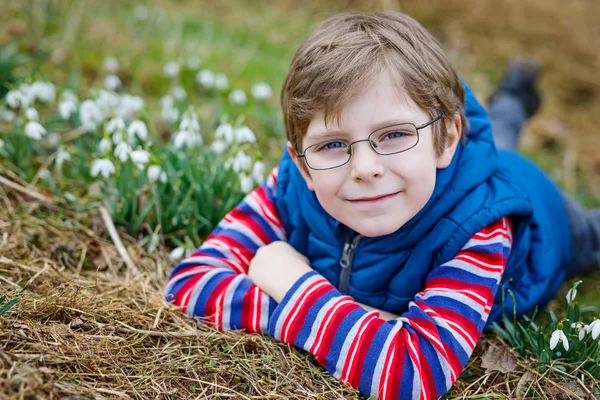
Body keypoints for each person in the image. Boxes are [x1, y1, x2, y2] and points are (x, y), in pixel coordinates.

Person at [164, 12, 600, 399]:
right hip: (453, 170)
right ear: (304, 164)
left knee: (565, 207)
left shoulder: (479, 225)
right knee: (499, 137)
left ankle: (509, 103)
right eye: (333, 144)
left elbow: (415, 373)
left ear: (446, 138)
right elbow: (189, 284)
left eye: (393, 134)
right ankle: (513, 99)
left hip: (550, 219)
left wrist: (296, 286)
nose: (365, 169)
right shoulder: (293, 187)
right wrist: (360, 323)